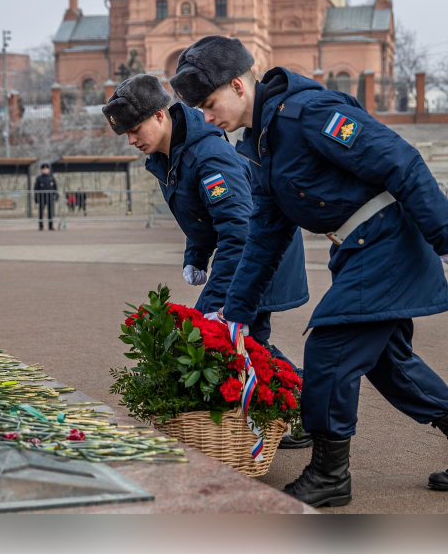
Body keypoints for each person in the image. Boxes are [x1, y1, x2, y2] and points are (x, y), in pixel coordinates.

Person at [171, 35, 448, 508]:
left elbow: (398, 158)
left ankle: (329, 474)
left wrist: (446, 233)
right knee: (389, 364)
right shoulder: (262, 145)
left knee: (329, 348)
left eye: (208, 103)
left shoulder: (306, 114)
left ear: (239, 86)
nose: (205, 117)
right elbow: (266, 234)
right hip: (357, 249)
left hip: (388, 241)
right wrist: (235, 312)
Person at [102, 74, 312, 448]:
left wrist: (215, 301)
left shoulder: (208, 154)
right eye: (127, 135)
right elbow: (199, 215)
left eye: (135, 129)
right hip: (245, 254)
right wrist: (195, 255)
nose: (132, 141)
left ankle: (305, 405)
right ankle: (295, 411)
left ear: (160, 116)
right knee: (248, 342)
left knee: (232, 339)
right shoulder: (170, 154)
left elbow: (239, 230)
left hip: (262, 257)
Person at [33, 163, 59, 230]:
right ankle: (41, 226)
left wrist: (56, 195)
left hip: (50, 197)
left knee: (50, 212)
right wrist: (36, 197)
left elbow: (55, 187)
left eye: (46, 169)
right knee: (41, 212)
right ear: (41, 170)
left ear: (48, 170)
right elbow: (36, 188)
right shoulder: (39, 178)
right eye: (44, 169)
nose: (45, 170)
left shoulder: (51, 178)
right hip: (42, 197)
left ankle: (50, 226)